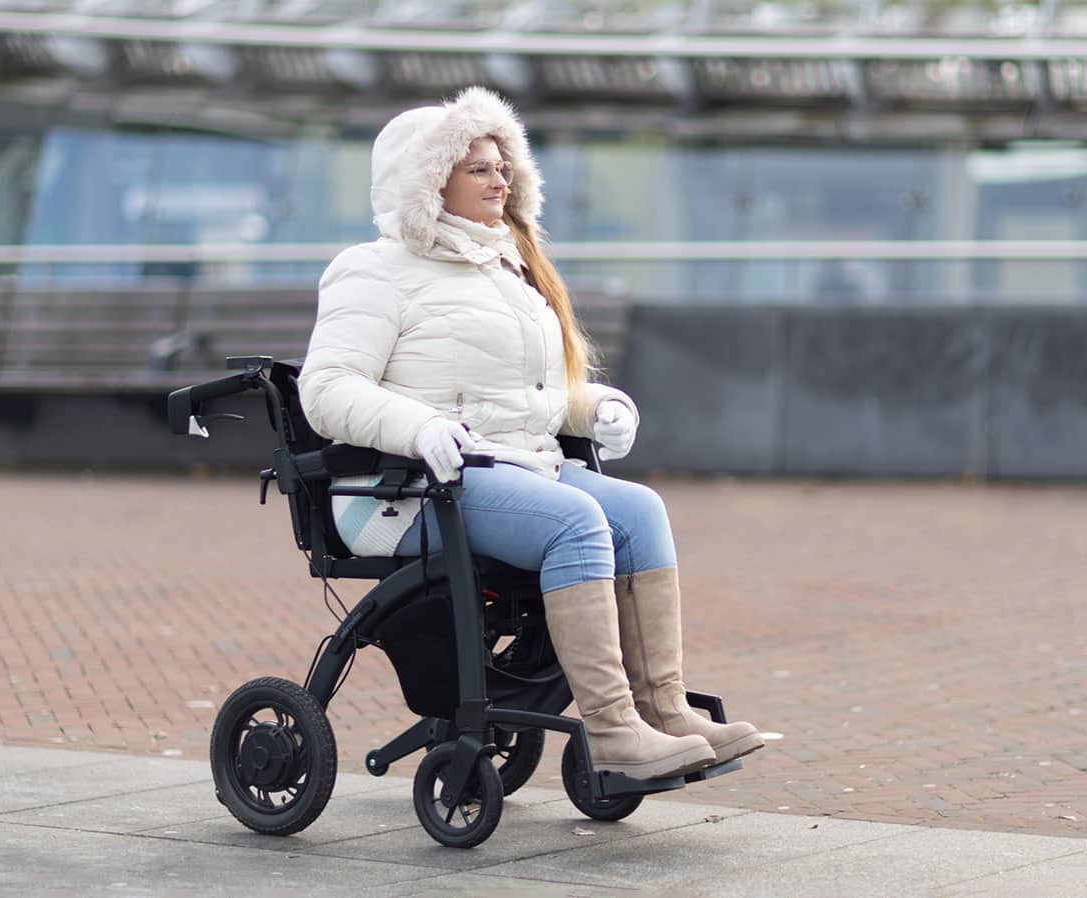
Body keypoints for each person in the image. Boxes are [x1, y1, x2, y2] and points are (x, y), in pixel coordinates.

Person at [298, 87, 763, 781]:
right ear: (428, 182)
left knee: (639, 510)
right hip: (403, 490)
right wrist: (420, 425)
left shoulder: (506, 269)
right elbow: (327, 389)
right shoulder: (372, 271)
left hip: (511, 466)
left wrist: (590, 408)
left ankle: (663, 709)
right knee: (577, 521)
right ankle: (613, 733)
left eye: (502, 165)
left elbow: (519, 396)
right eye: (478, 168)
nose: (500, 178)